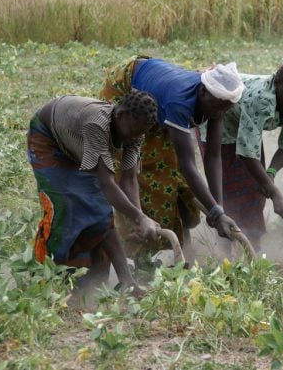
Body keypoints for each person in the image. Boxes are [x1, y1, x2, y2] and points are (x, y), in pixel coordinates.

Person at [99, 57, 244, 257]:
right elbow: (187, 165)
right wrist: (216, 212)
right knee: (138, 170)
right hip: (126, 86)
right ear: (202, 91)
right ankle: (138, 250)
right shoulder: (180, 102)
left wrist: (218, 208)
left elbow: (212, 156)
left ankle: (184, 245)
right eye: (217, 106)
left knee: (170, 169)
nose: (218, 112)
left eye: (224, 109)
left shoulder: (218, 101)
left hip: (159, 93)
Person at [27, 90, 160, 296]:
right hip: (48, 138)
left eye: (138, 133)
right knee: (63, 208)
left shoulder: (136, 131)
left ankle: (126, 281)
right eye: (132, 131)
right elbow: (106, 184)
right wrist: (140, 217)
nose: (133, 137)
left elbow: (128, 179)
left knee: (101, 213)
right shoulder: (97, 124)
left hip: (77, 146)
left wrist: (138, 219)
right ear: (121, 114)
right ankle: (45, 278)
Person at [199, 61, 283, 251]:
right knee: (228, 191)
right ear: (277, 84)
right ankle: (226, 247)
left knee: (255, 191)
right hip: (220, 125)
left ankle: (252, 246)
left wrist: (271, 174)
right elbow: (247, 154)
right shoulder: (261, 99)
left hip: (247, 133)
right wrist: (275, 192)